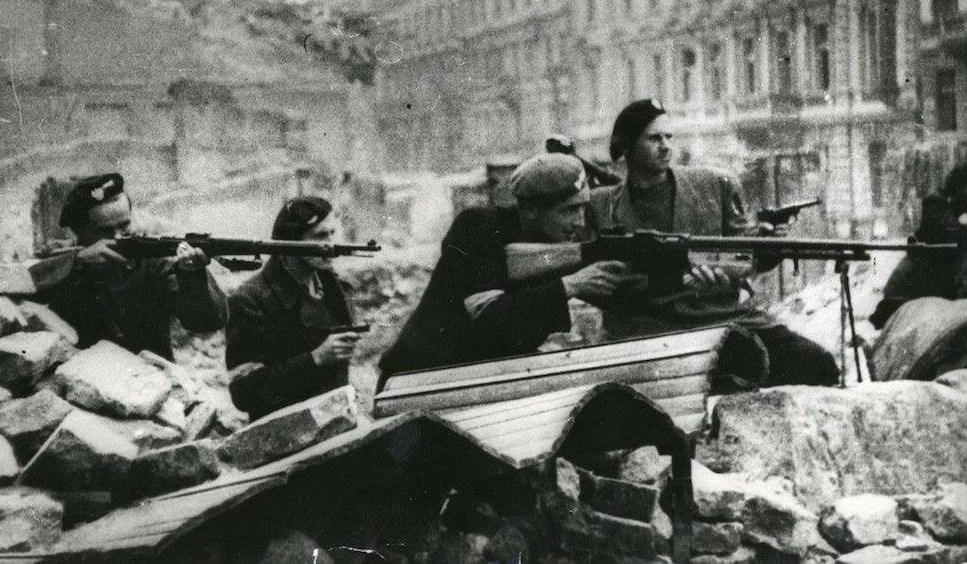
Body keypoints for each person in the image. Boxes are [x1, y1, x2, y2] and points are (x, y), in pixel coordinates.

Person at [588, 98, 839, 388]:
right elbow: (601, 284)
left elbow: (745, 254)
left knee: (814, 362)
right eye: (654, 138)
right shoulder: (602, 206)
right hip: (648, 331)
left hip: (721, 318)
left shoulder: (711, 185)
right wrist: (677, 283)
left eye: (669, 137)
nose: (666, 146)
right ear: (627, 147)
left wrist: (768, 246)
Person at [377, 153, 630, 381]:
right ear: (530, 210)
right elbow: (491, 317)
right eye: (569, 210)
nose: (580, 222)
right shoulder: (477, 228)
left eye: (584, 208)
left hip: (483, 377)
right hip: (419, 380)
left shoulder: (551, 244)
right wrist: (571, 285)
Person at [28, 173, 226, 360]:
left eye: (124, 225)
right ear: (79, 232)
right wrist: (77, 263)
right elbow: (27, 281)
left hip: (150, 378)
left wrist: (192, 276)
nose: (117, 237)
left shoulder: (153, 261)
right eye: (104, 231)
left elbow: (207, 322)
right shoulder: (68, 260)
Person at [225, 196, 361, 420]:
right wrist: (315, 359)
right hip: (285, 434)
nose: (330, 244)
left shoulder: (335, 289)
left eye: (332, 233)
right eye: (319, 236)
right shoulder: (251, 300)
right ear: (289, 243)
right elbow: (244, 393)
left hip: (337, 421)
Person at [871, 161, 967, 329]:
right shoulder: (935, 201)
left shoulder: (952, 206)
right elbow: (949, 234)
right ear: (960, 187)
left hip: (932, 281)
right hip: (913, 285)